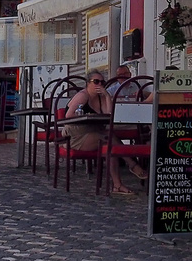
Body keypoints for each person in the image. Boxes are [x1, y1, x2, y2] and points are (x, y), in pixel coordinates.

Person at [63, 68, 149, 196]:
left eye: (102, 82)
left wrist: (107, 95)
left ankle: (117, 185)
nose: (99, 85)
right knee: (108, 138)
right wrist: (83, 116)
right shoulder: (82, 96)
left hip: (94, 132)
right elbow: (67, 116)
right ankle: (132, 164)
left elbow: (109, 114)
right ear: (88, 83)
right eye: (96, 82)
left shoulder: (100, 98)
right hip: (76, 135)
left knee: (109, 146)